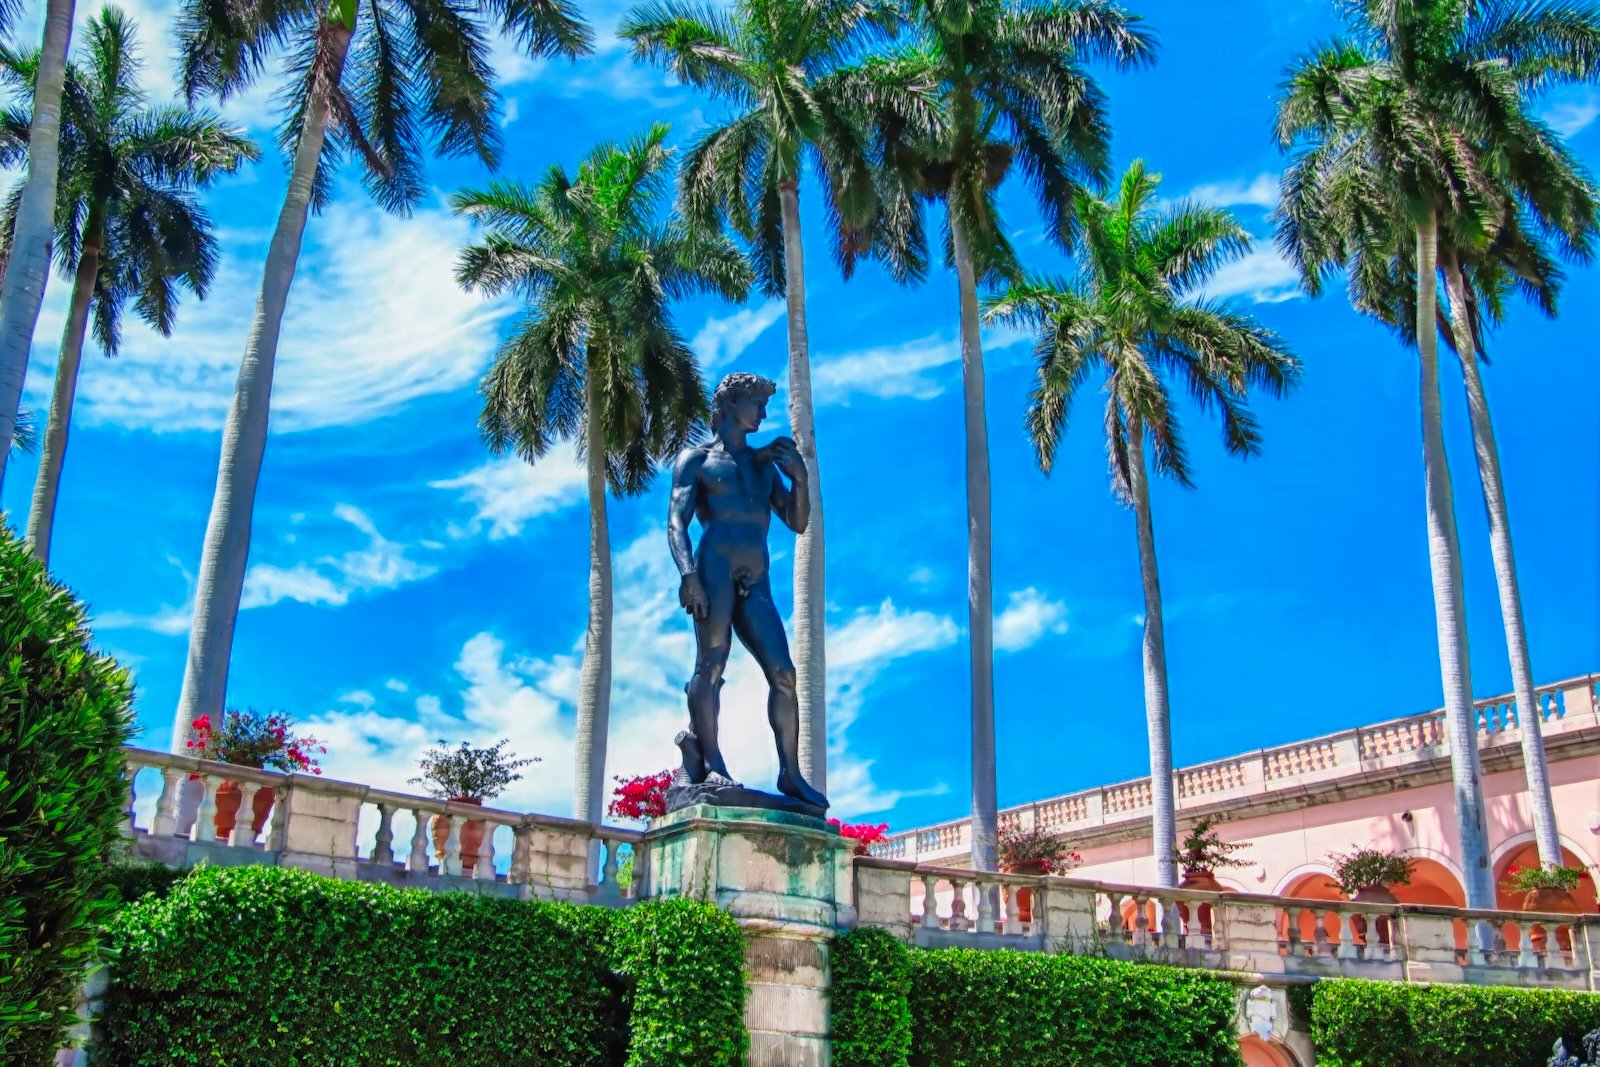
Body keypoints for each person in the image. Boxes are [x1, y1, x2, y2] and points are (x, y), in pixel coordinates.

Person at [667, 371, 827, 807]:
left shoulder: (763, 466)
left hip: (756, 578)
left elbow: (796, 521)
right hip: (713, 569)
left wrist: (799, 479)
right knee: (711, 664)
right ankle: (710, 761)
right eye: (756, 403)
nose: (763, 413)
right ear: (731, 405)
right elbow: (676, 521)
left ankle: (791, 773)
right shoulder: (697, 460)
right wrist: (689, 576)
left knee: (784, 673)